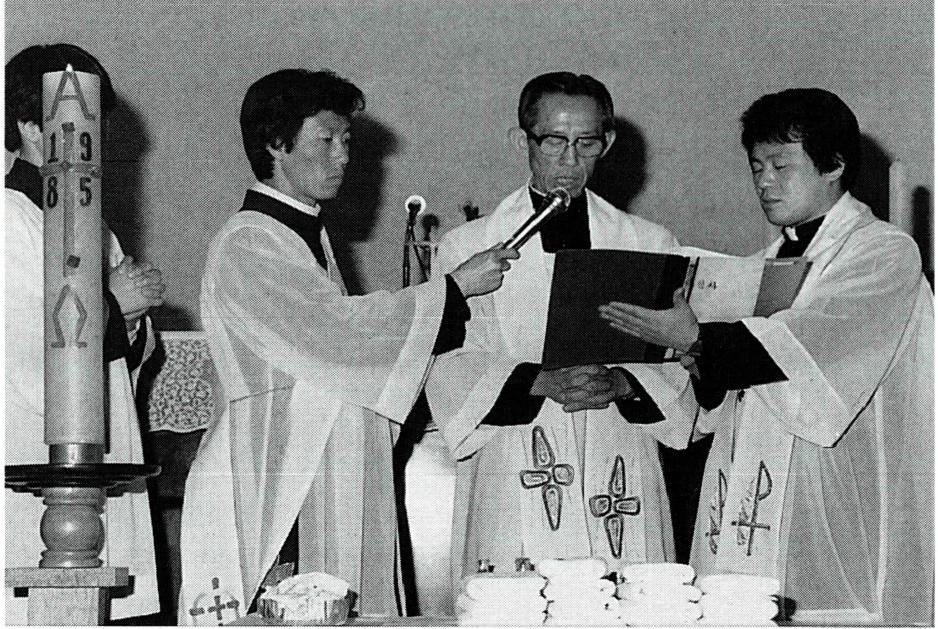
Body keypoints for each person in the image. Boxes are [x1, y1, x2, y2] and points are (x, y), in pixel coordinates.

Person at [179, 68, 518, 623]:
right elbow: (333, 333)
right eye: (326, 140)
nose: (342, 156)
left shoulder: (303, 234)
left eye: (346, 141)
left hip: (326, 456)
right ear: (276, 144)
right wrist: (453, 289)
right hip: (281, 467)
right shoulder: (249, 241)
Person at [599, 88, 933, 625]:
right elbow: (716, 395)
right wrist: (655, 367)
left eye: (781, 165)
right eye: (756, 167)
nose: (764, 181)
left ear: (834, 166)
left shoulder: (882, 252)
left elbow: (815, 354)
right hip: (745, 493)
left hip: (833, 494)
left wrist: (700, 340)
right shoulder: (760, 265)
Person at [426, 72, 696, 587]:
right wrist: (539, 381)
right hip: (513, 457)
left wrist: (625, 383)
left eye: (586, 143)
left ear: (607, 143)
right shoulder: (468, 248)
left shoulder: (648, 242)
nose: (570, 161)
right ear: (522, 140)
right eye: (554, 141)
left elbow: (678, 358)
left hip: (619, 452)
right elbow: (447, 364)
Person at [5, 43, 164, 622]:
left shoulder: (97, 229)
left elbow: (124, 361)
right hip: (35, 456)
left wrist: (133, 319)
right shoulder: (8, 218)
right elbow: (20, 346)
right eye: (82, 122)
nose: (94, 140)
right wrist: (116, 303)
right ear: (30, 126)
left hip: (105, 443)